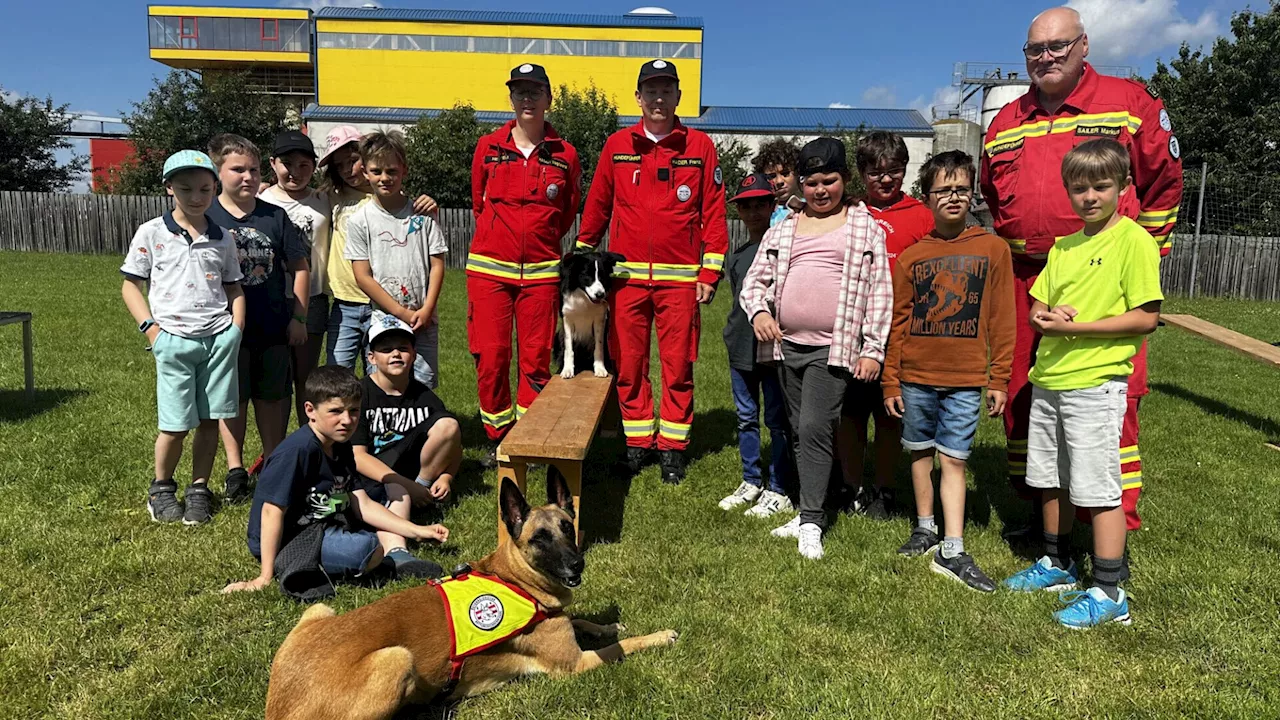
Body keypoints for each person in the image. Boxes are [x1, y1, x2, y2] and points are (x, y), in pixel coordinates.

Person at [982, 6, 1183, 539]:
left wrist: (1136, 260)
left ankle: (1110, 522)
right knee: (1028, 394)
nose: (1045, 57)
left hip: (1104, 281)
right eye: (1035, 50)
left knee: (1108, 403)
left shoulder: (1130, 104)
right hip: (1029, 279)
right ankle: (1043, 517)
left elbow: (1163, 185)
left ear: (1084, 46)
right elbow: (992, 196)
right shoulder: (1005, 122)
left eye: (1058, 46)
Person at [1002, 139, 1163, 628]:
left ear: (1122, 187)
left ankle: (1111, 591)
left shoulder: (1134, 240)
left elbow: (1146, 318)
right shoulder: (1065, 246)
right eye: (1079, 188)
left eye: (1101, 186)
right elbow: (1036, 306)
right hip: (1050, 378)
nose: (1089, 196)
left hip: (1096, 383)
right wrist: (1047, 314)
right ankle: (1058, 562)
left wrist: (1077, 328)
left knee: (1097, 487)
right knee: (1052, 478)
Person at [576, 58, 730, 484]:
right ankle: (638, 442)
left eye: (667, 89)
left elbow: (713, 214)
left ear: (679, 97)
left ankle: (673, 449)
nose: (659, 98)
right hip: (625, 281)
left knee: (678, 365)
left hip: (679, 280)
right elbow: (598, 205)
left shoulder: (700, 147)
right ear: (638, 97)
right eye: (651, 90)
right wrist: (582, 257)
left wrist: (709, 273)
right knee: (629, 364)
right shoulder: (617, 145)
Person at [740, 137, 892, 560]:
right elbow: (755, 281)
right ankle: (813, 506)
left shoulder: (863, 228)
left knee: (814, 428)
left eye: (830, 181)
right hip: (787, 347)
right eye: (812, 183)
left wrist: (872, 349)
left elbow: (881, 293)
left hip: (835, 348)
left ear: (845, 181)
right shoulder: (785, 227)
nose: (821, 190)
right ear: (801, 184)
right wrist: (759, 314)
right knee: (797, 431)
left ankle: (810, 521)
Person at [881, 150, 1015, 592]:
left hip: (965, 380)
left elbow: (1002, 317)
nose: (953, 197)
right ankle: (924, 528)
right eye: (944, 190)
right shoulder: (913, 257)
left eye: (961, 188)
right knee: (919, 452)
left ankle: (952, 546)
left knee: (954, 459)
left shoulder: (992, 248)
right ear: (927, 196)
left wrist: (999, 378)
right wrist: (891, 379)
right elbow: (898, 320)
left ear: (972, 192)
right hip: (916, 374)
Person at [223, 365, 449, 598]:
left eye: (354, 411)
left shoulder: (341, 445)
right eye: (336, 411)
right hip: (291, 538)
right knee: (367, 548)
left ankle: (390, 555)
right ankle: (384, 558)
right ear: (310, 410)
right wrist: (264, 577)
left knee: (389, 498)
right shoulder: (297, 451)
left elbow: (363, 504)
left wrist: (416, 531)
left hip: (323, 522)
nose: (347, 420)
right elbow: (271, 512)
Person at [121, 150, 245, 525]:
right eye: (186, 188)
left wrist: (235, 329)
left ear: (214, 188)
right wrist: (152, 330)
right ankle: (161, 489)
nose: (196, 196)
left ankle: (198, 490)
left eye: (205, 189)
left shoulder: (222, 237)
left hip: (219, 340)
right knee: (174, 425)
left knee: (210, 421)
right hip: (173, 341)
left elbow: (234, 287)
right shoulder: (152, 232)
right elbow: (131, 285)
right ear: (169, 188)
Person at [468, 63, 582, 465]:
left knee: (534, 358)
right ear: (511, 99)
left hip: (539, 274)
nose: (528, 99)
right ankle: (497, 436)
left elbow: (567, 211)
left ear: (549, 99)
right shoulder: (488, 146)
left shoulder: (566, 154)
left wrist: (539, 241)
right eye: (520, 92)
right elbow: (479, 202)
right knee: (493, 356)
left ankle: (530, 437)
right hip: (489, 272)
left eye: (536, 92)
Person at [206, 133, 310, 505]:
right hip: (223, 329)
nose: (247, 177)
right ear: (218, 172)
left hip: (272, 323)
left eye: (252, 169)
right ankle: (235, 470)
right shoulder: (206, 217)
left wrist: (298, 316)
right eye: (237, 170)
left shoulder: (274, 217)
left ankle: (274, 462)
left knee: (272, 398)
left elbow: (299, 267)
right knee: (231, 400)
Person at [839, 131, 937, 520]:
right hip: (851, 332)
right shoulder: (847, 211)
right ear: (861, 173)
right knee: (848, 415)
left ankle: (884, 488)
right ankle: (850, 485)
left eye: (894, 171)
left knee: (890, 415)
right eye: (876, 172)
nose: (885, 179)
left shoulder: (921, 215)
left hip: (902, 334)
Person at [319, 126, 439, 372]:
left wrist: (430, 204)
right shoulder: (332, 196)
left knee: (382, 374)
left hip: (386, 302)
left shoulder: (393, 196)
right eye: (338, 165)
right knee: (338, 373)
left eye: (351, 161)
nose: (346, 170)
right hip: (346, 300)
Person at [717, 172, 794, 518]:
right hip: (740, 346)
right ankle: (752, 479)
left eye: (759, 204)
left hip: (773, 349)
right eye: (745, 206)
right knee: (746, 418)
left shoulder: (785, 249)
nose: (752, 212)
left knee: (778, 420)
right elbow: (738, 299)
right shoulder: (737, 255)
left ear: (771, 205)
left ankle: (779, 486)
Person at [345, 130, 448, 389]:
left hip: (424, 319)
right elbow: (362, 276)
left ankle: (422, 430)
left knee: (422, 384)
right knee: (385, 385)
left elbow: (437, 265)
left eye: (391, 171)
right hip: (384, 319)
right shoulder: (360, 221)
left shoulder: (423, 215)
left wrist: (425, 310)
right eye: (377, 171)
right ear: (365, 172)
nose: (384, 178)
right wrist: (400, 312)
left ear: (404, 170)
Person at [352, 315, 463, 508]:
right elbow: (358, 456)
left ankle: (423, 489)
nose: (395, 354)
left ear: (413, 354)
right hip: (371, 473)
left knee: (448, 424)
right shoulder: (360, 394)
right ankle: (414, 495)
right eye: (386, 349)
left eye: (403, 348)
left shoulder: (424, 397)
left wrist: (446, 478)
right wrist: (405, 485)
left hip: (412, 469)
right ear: (371, 357)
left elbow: (453, 445)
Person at [259, 130, 329, 429]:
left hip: (311, 298)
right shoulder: (259, 198)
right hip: (270, 298)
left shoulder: (324, 199)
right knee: (276, 380)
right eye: (287, 163)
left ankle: (307, 439)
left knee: (306, 377)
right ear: (273, 163)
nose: (296, 172)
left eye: (304, 165)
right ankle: (277, 447)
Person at [752, 138, 803, 226]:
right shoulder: (761, 213)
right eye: (772, 176)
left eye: (785, 173)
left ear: (797, 173)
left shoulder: (809, 208)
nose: (779, 181)